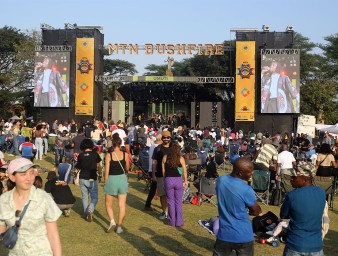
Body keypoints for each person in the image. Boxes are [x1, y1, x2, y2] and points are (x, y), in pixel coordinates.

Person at [0, 157, 62, 255]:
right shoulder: (3, 201)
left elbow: (53, 235)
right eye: (23, 174)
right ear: (12, 177)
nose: (29, 178)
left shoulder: (43, 198)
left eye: (31, 172)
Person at [213, 157, 261, 256]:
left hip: (225, 234)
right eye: (250, 172)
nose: (252, 174)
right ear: (240, 173)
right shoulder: (246, 190)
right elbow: (256, 212)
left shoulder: (220, 181)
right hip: (243, 235)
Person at [280, 161, 326, 256]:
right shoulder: (322, 193)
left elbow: (283, 215)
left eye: (294, 177)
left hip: (296, 245)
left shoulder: (292, 195)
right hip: (316, 245)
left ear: (305, 179)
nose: (291, 179)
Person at [103, 136, 129, 234]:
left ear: (112, 144)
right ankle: (119, 226)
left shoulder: (109, 155)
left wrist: (105, 181)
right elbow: (127, 167)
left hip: (111, 179)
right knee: (122, 205)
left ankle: (112, 221)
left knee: (108, 204)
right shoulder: (125, 154)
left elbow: (107, 170)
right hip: (122, 179)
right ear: (120, 143)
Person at [75, 139, 102, 222]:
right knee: (94, 198)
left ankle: (86, 214)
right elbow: (99, 166)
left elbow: (77, 168)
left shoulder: (81, 155)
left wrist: (75, 175)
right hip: (92, 178)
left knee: (85, 197)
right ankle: (90, 210)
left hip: (82, 178)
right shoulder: (95, 154)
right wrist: (100, 175)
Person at [162, 143, 188, 227]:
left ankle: (171, 221)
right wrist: (185, 181)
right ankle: (179, 221)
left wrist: (165, 180)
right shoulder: (181, 158)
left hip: (168, 180)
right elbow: (184, 171)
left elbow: (164, 171)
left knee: (170, 202)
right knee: (178, 201)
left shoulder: (165, 157)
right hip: (178, 180)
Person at [152, 130, 171, 219]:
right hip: (160, 175)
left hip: (172, 175)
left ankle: (170, 211)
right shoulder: (158, 148)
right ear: (161, 138)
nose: (166, 139)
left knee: (170, 195)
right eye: (164, 137)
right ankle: (164, 212)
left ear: (170, 138)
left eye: (168, 137)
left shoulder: (173, 148)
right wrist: (153, 175)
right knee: (162, 194)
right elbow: (154, 162)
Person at [144, 133, 162, 211]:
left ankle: (148, 204)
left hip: (151, 169)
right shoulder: (157, 147)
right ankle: (148, 204)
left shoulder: (152, 146)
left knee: (153, 188)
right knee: (157, 188)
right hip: (156, 169)